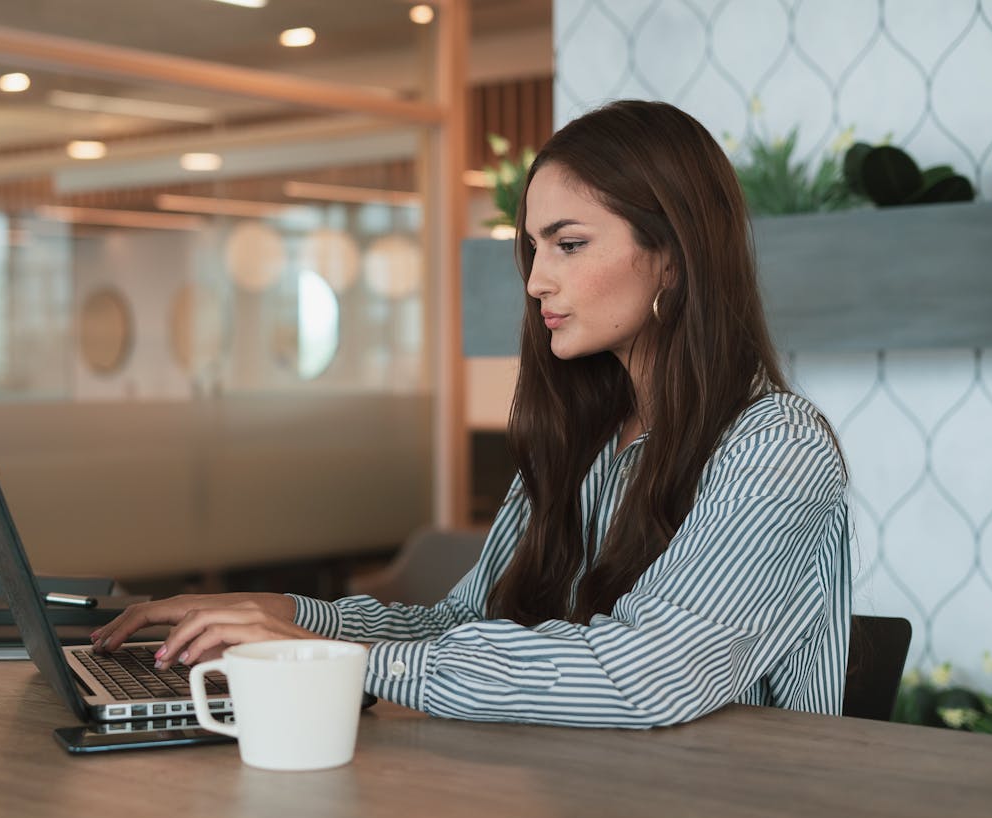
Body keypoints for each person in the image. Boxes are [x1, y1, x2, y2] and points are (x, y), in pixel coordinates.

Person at [92, 100, 852, 728]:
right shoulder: (581, 439)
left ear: (674, 258)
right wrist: (287, 616)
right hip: (581, 802)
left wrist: (333, 658)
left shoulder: (775, 446)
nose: (536, 281)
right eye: (533, 248)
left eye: (570, 244)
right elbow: (464, 626)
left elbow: (646, 673)